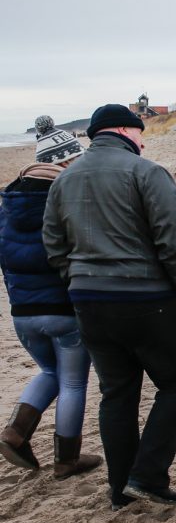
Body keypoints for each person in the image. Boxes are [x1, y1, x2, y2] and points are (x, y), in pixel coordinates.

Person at [43, 104, 176, 509]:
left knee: (117, 393)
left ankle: (120, 490)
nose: (143, 141)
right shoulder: (146, 172)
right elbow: (173, 239)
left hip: (89, 303)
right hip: (148, 299)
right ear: (125, 130)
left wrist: (79, 283)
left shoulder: (65, 179)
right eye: (140, 132)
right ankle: (146, 476)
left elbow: (54, 245)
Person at [0, 116, 101, 479]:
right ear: (63, 162)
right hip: (63, 310)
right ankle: (66, 460)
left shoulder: (8, 203)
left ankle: (15, 433)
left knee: (49, 371)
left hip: (22, 312)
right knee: (73, 381)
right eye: (76, 160)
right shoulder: (68, 198)